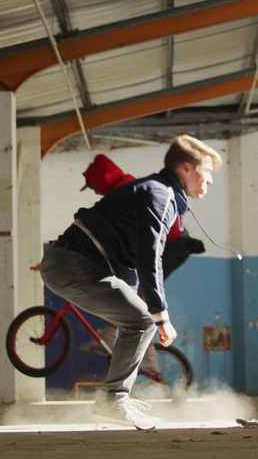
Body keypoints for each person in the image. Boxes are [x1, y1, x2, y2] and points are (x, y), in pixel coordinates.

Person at [40, 135, 222, 429]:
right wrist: (161, 316)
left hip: (75, 264)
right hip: (74, 265)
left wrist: (151, 309)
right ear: (186, 169)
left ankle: (116, 397)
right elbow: (150, 259)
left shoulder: (158, 193)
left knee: (140, 318)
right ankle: (114, 398)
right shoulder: (160, 195)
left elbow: (135, 258)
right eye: (208, 171)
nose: (211, 180)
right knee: (143, 320)